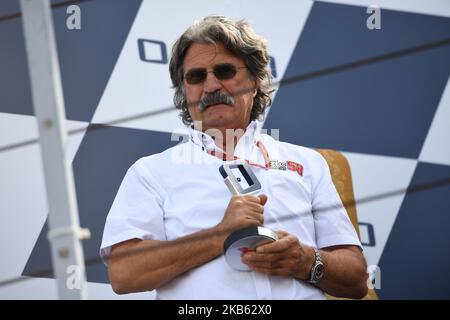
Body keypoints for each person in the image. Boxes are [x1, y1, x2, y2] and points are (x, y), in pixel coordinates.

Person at [100, 15, 368, 300]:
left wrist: (306, 261)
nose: (211, 86)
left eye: (225, 71)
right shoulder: (151, 172)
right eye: (196, 76)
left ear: (254, 81)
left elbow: (356, 279)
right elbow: (124, 273)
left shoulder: (308, 163)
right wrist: (219, 235)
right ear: (184, 91)